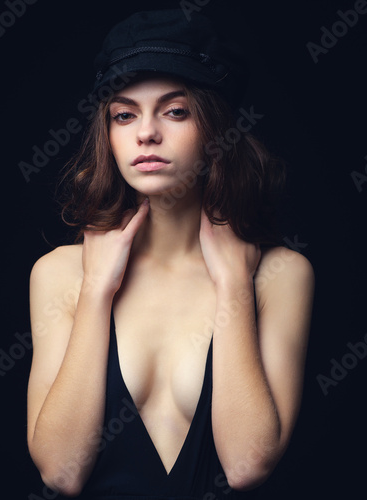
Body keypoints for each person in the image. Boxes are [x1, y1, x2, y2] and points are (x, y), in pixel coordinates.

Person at [27, 9, 315, 499]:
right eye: (124, 115)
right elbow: (60, 473)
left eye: (175, 111)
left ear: (214, 127)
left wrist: (233, 285)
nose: (146, 133)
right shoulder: (58, 274)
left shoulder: (281, 274)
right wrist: (97, 289)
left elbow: (247, 465)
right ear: (110, 135)